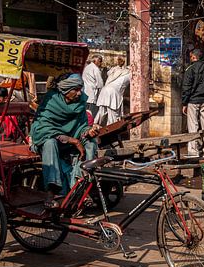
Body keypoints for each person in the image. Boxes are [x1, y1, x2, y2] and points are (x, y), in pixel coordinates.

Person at [30, 73, 99, 208]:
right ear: (65, 89)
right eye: (76, 89)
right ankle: (51, 192)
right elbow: (43, 129)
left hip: (70, 143)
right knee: (50, 143)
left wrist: (88, 131)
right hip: (45, 141)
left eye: (80, 89)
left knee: (91, 142)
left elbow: (82, 126)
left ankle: (82, 183)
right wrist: (71, 140)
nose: (79, 93)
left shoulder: (79, 103)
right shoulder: (51, 100)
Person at [182, 48, 204, 158]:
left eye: (191, 56)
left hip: (193, 101)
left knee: (193, 126)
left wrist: (184, 102)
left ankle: (193, 152)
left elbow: (186, 87)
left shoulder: (190, 69)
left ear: (193, 57)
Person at [95, 56, 130, 125]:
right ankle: (112, 131)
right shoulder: (128, 74)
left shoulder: (115, 70)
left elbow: (110, 72)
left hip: (105, 90)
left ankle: (94, 125)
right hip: (113, 93)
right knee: (113, 116)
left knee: (101, 113)